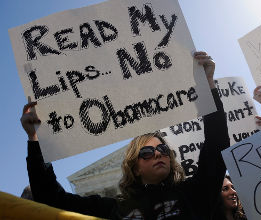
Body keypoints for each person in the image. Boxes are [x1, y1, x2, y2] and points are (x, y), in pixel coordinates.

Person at [21, 51, 230, 219]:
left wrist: (207, 85)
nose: (158, 154)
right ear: (135, 167)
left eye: (163, 149)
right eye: (147, 152)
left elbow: (217, 143)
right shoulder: (114, 209)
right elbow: (51, 198)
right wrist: (35, 139)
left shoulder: (194, 193)